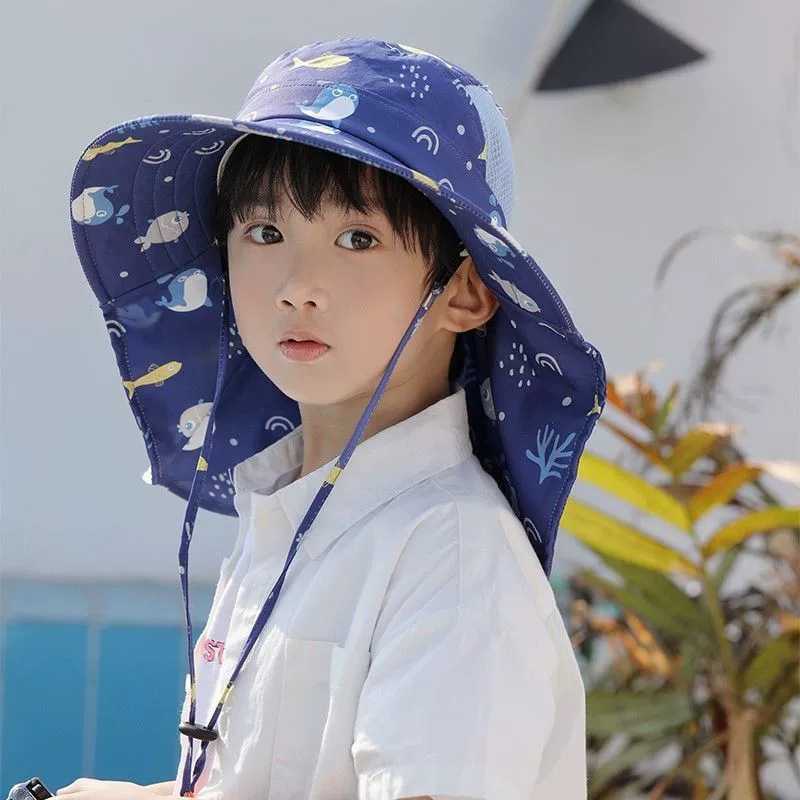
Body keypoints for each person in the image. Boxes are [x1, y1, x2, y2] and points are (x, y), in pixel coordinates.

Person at [62, 36, 606, 800]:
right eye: (265, 233)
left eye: (358, 238)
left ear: (463, 293)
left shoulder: (452, 555)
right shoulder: (288, 510)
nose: (298, 285)